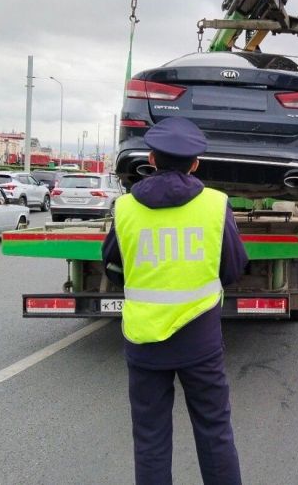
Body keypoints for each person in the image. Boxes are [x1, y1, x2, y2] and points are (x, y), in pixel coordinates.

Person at [102, 117, 248, 485]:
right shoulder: (216, 205)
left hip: (144, 341)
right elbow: (233, 267)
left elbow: (113, 266)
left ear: (151, 159)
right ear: (195, 163)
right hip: (200, 341)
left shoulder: (125, 209)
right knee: (215, 431)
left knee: (150, 440)